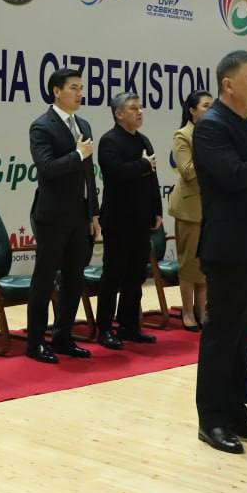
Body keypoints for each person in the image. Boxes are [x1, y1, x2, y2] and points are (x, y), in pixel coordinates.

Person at [191, 50, 247, 454]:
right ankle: (211, 419)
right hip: (229, 248)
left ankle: (236, 410)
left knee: (245, 335)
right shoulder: (211, 126)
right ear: (228, 84)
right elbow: (232, 176)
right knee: (222, 336)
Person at [26, 68, 100, 364]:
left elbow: (89, 175)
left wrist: (93, 212)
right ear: (57, 91)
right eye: (74, 88)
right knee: (44, 279)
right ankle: (35, 342)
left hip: (79, 215)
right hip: (52, 215)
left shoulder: (83, 124)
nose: (80, 93)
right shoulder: (41, 126)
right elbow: (46, 168)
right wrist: (77, 154)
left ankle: (63, 337)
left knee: (74, 278)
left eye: (81, 88)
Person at [96, 92, 162, 349]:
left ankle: (129, 325)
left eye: (140, 107)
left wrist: (157, 209)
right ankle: (104, 328)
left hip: (141, 219)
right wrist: (143, 165)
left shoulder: (144, 140)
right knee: (113, 275)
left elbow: (152, 178)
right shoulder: (109, 141)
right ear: (119, 114)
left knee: (136, 276)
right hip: (118, 220)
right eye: (133, 108)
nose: (140, 112)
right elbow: (115, 173)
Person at [169, 90, 213, 332]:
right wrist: (210, 154)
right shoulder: (183, 135)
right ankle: (187, 312)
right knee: (189, 265)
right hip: (190, 207)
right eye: (206, 105)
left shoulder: (213, 133)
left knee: (205, 265)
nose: (211, 109)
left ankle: (201, 310)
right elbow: (187, 171)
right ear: (192, 110)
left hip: (211, 207)